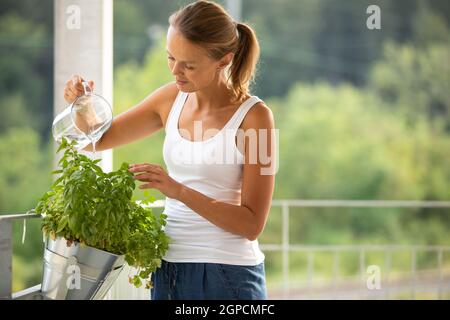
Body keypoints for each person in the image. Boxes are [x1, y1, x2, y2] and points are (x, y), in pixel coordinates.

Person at [63, 0, 276, 300]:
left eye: (189, 65)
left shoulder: (255, 117)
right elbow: (97, 138)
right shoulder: (171, 99)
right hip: (168, 268)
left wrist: (177, 190)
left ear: (224, 60)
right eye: (171, 58)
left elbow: (252, 224)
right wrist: (81, 104)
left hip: (227, 275)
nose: (176, 71)